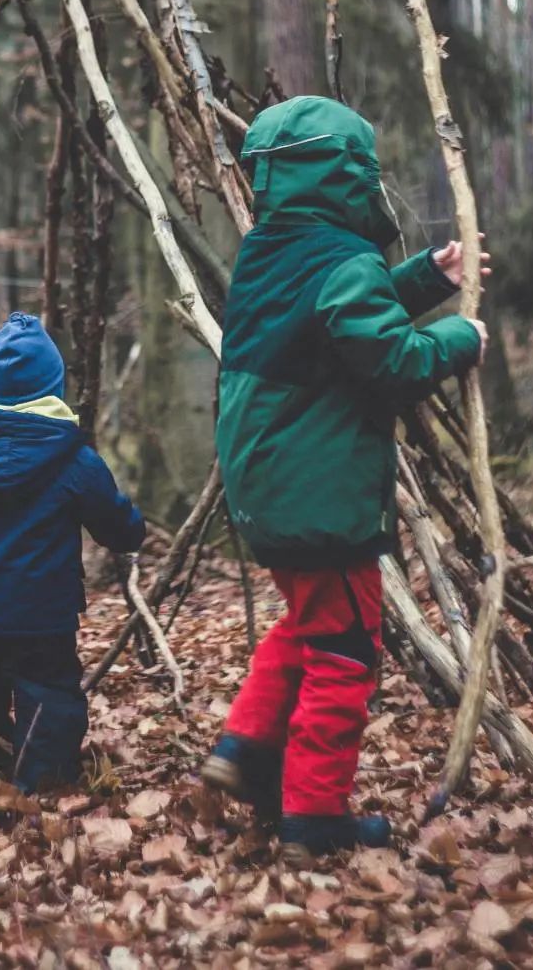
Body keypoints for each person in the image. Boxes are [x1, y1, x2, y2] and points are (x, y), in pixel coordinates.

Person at [201, 96, 489, 858]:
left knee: (308, 622)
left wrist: (428, 276)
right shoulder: (342, 261)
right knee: (346, 651)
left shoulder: (270, 252)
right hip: (318, 496)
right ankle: (315, 817)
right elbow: (390, 359)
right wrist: (461, 336)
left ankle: (245, 748)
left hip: (266, 491)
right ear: (345, 173)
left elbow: (342, 320)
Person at [0, 311, 145, 791]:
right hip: (43, 612)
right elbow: (114, 519)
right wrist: (131, 533)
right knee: (48, 693)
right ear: (53, 385)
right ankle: (43, 781)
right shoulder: (71, 456)